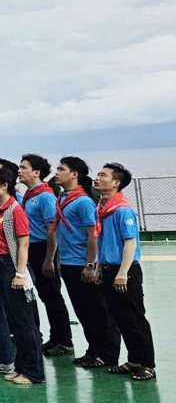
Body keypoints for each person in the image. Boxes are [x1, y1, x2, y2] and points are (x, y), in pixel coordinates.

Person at [50, 157, 119, 368]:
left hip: (82, 263)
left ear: (74, 175)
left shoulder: (83, 202)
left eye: (61, 169)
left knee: (96, 311)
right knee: (83, 311)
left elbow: (93, 236)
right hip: (69, 263)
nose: (57, 173)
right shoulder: (62, 199)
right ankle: (93, 350)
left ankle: (107, 354)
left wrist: (90, 265)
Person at [94, 162, 155, 382]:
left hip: (125, 271)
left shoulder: (122, 210)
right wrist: (98, 266)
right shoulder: (102, 208)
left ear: (116, 183)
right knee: (120, 318)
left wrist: (122, 273)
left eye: (103, 175)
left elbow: (130, 243)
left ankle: (147, 364)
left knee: (135, 319)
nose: (97, 178)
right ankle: (134, 360)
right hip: (109, 269)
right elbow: (101, 241)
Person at [0, 167, 45, 385]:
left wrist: (19, 273)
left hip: (13, 267)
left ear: (4, 186)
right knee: (14, 323)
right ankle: (21, 368)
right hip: (0, 266)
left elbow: (23, 244)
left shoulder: (14, 210)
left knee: (25, 323)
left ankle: (35, 372)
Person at [17, 154, 73, 356]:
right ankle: (55, 337)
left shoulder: (45, 197)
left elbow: (52, 230)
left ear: (36, 172)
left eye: (24, 167)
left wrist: (50, 259)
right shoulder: (29, 195)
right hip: (31, 249)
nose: (20, 171)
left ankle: (64, 340)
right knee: (44, 296)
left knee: (52, 296)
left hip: (43, 249)